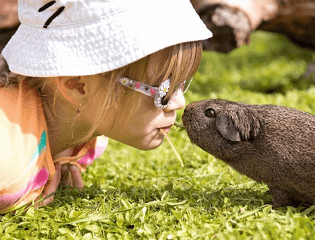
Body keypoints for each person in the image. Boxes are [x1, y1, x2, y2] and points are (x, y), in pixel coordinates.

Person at [0, 0, 212, 213]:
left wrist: (55, 159)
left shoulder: (90, 133)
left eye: (181, 84)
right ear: (77, 85)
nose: (179, 102)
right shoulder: (6, 154)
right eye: (163, 89)